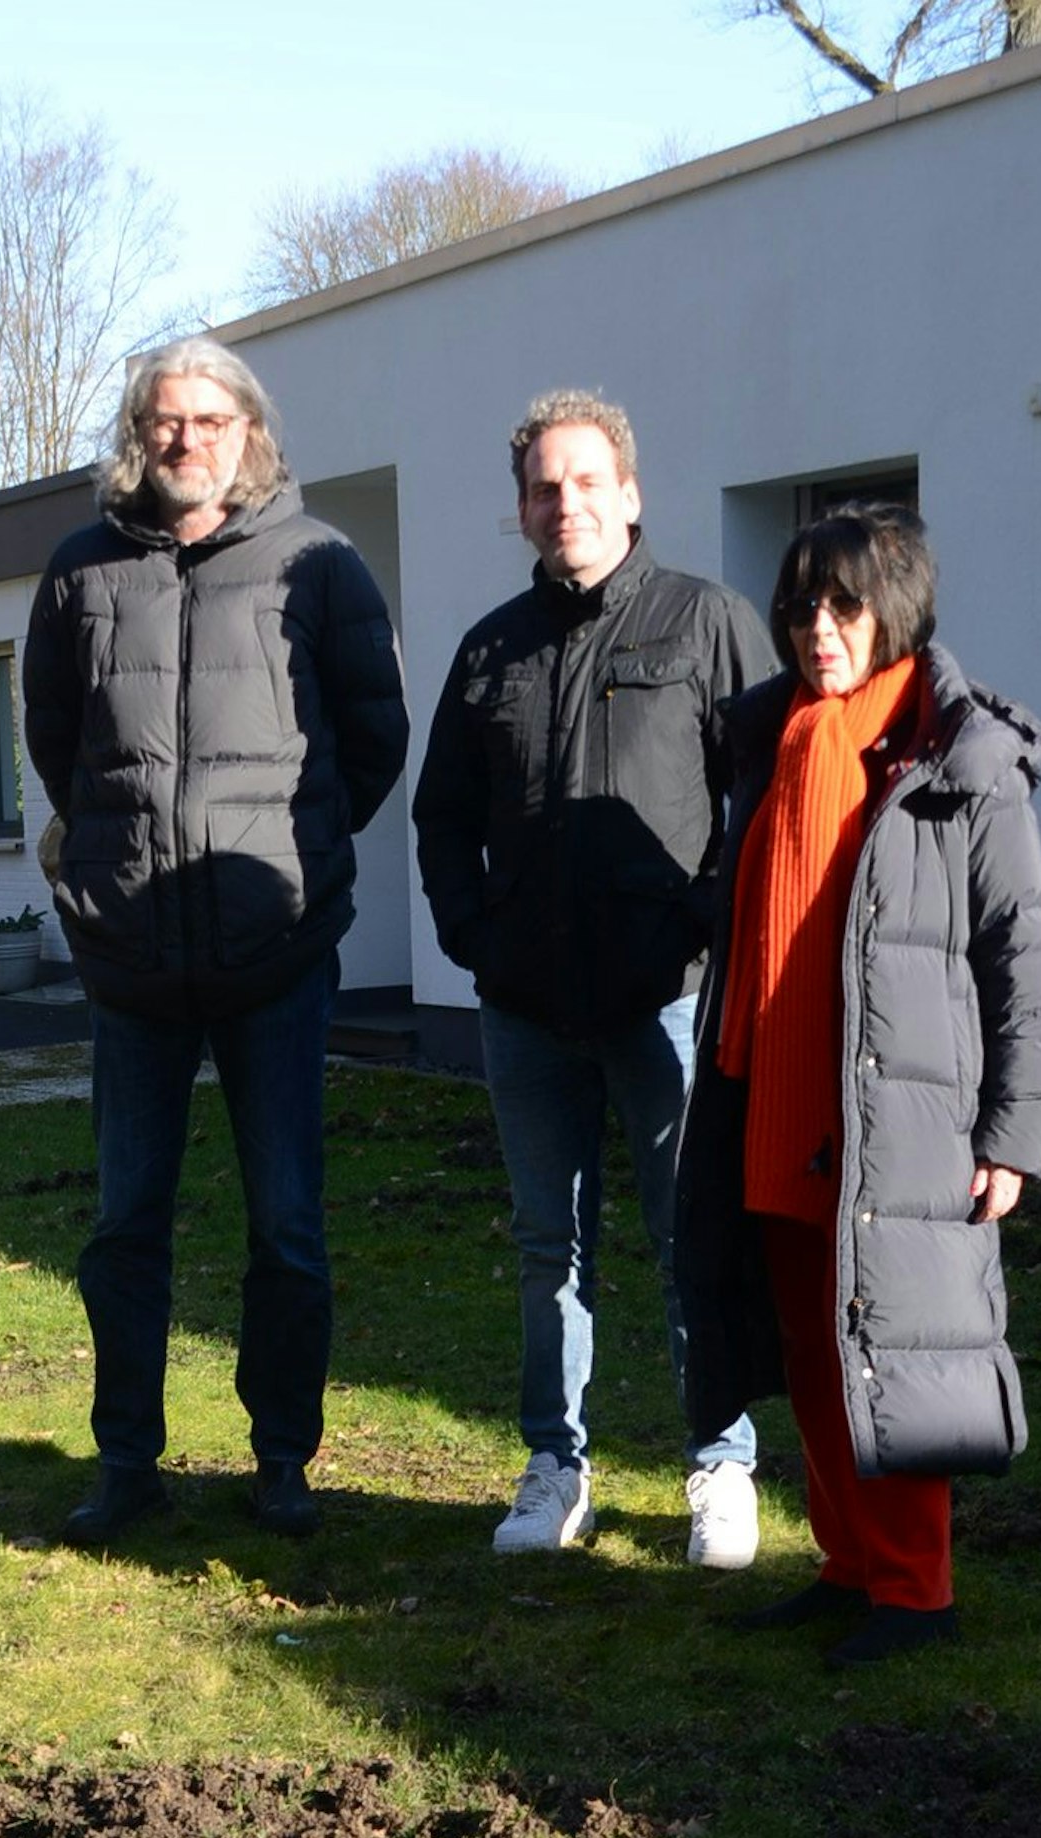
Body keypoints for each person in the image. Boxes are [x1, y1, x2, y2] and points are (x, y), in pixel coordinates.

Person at [23, 335, 409, 1545]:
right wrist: (109, 867)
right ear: (137, 434)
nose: (183, 438)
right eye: (163, 419)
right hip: (131, 959)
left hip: (273, 955)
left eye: (206, 418)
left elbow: (372, 741)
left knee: (285, 1222)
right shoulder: (79, 572)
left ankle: (281, 1457)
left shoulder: (319, 564)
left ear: (248, 430)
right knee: (122, 1226)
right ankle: (124, 1461)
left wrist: (290, 858)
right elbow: (53, 743)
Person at [675, 504, 1041, 1665]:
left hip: (899, 1115)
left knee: (892, 1348)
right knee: (808, 1341)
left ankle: (913, 1591)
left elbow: (1022, 953)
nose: (817, 626)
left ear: (893, 609)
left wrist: (1015, 1131)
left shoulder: (959, 757)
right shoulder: (772, 737)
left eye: (842, 604)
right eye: (799, 603)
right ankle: (846, 1563)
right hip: (778, 1100)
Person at [413, 390, 774, 1565]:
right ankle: (553, 1467)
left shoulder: (705, 624)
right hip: (524, 1006)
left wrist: (702, 925)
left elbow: (763, 797)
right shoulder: (488, 650)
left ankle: (718, 1461)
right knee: (546, 1248)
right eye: (540, 487)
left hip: (667, 999)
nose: (561, 503)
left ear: (627, 492)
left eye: (581, 482)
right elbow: (440, 814)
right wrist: (472, 935)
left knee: (689, 1236)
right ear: (520, 509)